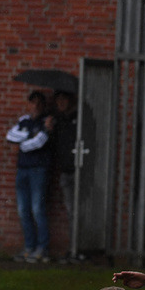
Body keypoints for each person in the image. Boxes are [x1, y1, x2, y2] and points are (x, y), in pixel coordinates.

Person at [6, 91, 53, 263]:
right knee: (23, 210)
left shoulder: (47, 121)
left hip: (38, 170)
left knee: (37, 209)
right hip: (22, 170)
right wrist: (28, 136)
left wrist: (24, 140)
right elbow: (10, 136)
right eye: (33, 102)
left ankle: (42, 248)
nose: (36, 106)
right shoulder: (24, 121)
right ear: (29, 104)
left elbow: (37, 143)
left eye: (39, 103)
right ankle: (29, 247)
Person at [49, 90, 82, 263]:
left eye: (64, 99)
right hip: (65, 171)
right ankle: (73, 248)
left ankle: (80, 249)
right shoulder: (58, 121)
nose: (61, 103)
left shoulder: (79, 118)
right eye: (58, 100)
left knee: (79, 212)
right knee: (71, 212)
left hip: (79, 171)